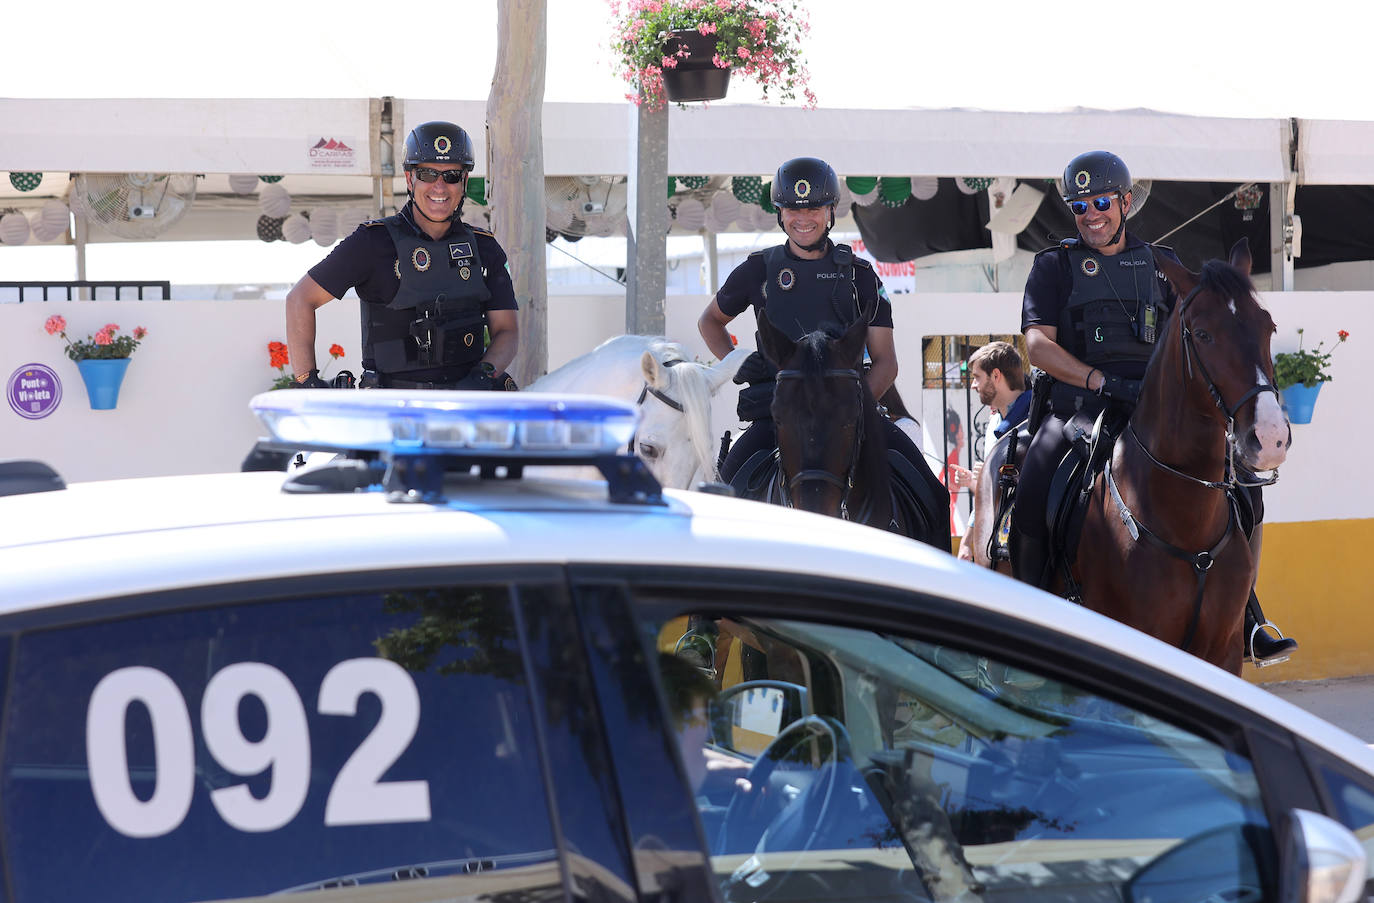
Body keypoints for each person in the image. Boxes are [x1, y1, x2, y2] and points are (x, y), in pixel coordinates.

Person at [1010, 149, 1295, 664]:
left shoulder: (1165, 265)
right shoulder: (1053, 265)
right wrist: (1099, 379)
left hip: (1156, 408)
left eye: (1101, 202)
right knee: (1037, 480)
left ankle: (1248, 615)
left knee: (1245, 491)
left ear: (1124, 202)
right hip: (1078, 405)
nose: (1091, 214)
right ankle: (1027, 622)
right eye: (1080, 206)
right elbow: (1038, 345)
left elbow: (1195, 339)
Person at [697, 156, 942, 511]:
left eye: (813, 208)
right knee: (720, 501)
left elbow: (886, 363)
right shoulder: (756, 269)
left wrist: (849, 409)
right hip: (775, 416)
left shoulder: (862, 276)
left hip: (853, 417)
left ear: (830, 211)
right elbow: (710, 321)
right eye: (792, 209)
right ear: (780, 213)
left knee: (930, 493)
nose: (803, 218)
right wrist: (736, 363)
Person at [285, 120, 518, 390]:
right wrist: (307, 381)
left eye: (451, 176)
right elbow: (300, 299)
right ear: (410, 178)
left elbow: (507, 331)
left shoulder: (484, 247)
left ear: (464, 181)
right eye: (428, 174)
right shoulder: (373, 242)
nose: (440, 187)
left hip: (464, 407)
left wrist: (483, 375)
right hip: (390, 409)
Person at [958, 341, 1029, 562]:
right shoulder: (995, 423)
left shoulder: (1037, 419)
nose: (973, 385)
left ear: (996, 375)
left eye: (977, 377)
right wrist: (967, 542)